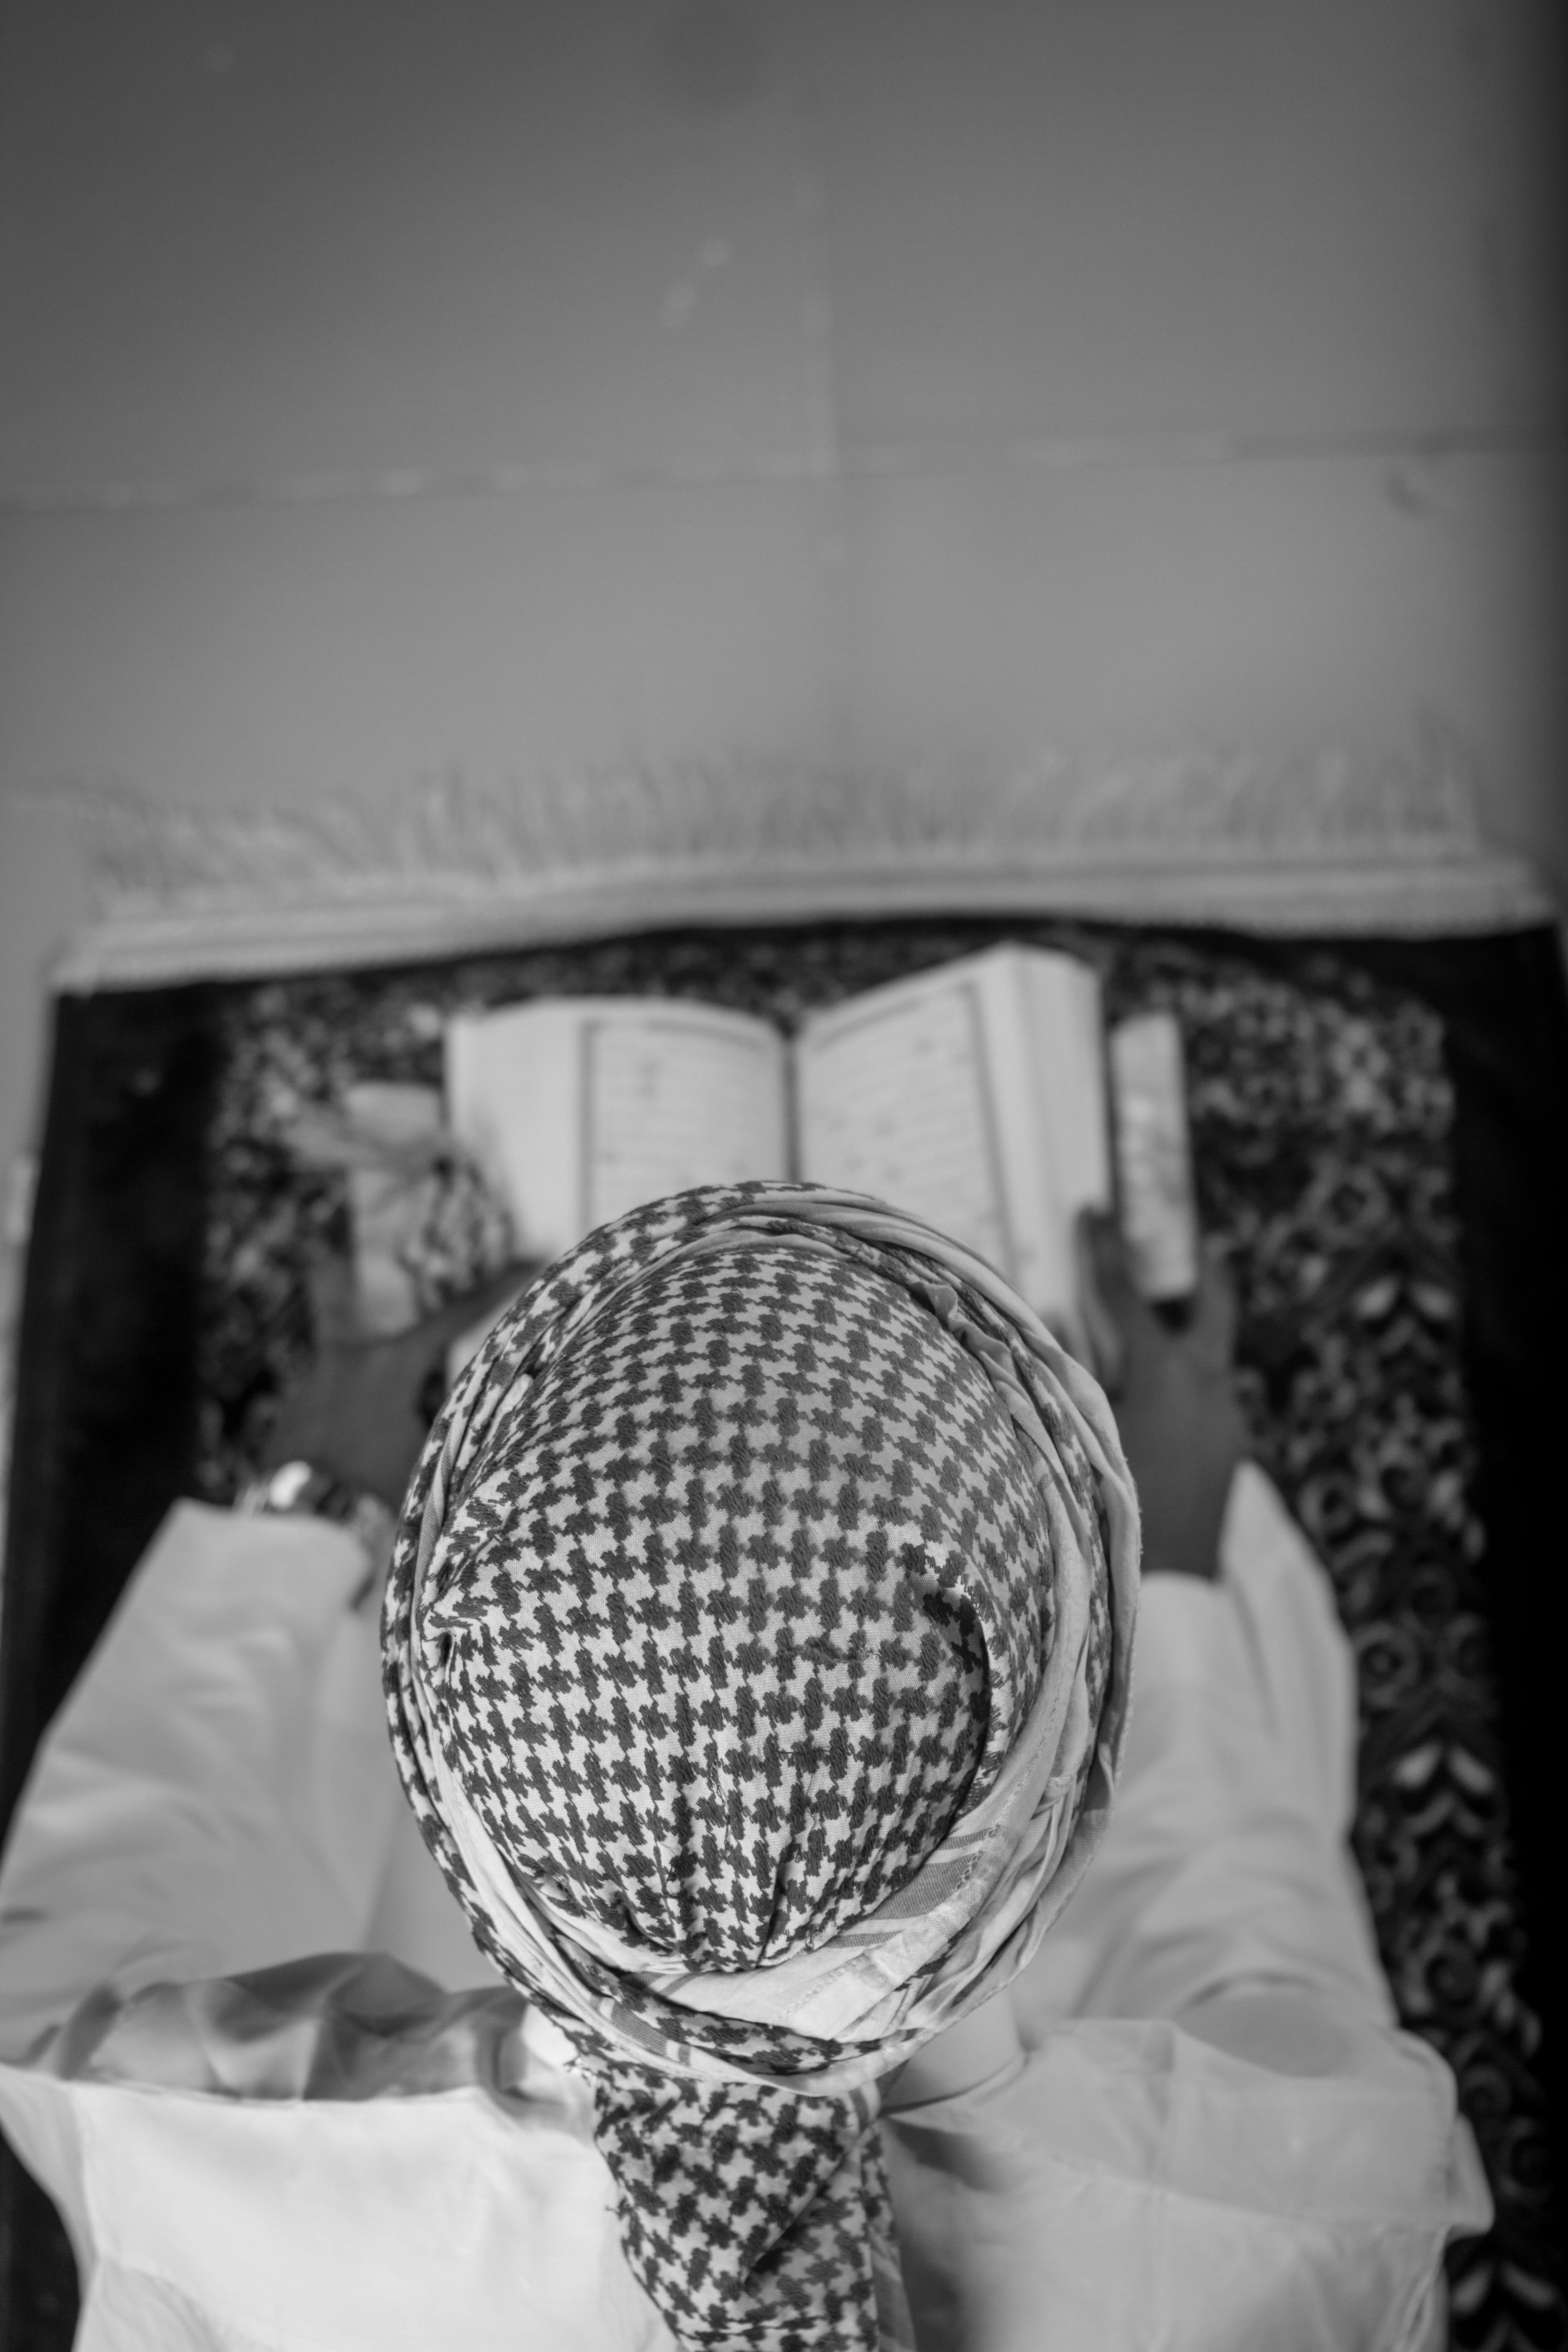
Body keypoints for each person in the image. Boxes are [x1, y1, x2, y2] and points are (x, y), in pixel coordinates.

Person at [0, 1183, 1489, 2351]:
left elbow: (56, 1963)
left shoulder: (189, 2131)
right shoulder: (1321, 2196)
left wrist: (305, 1503)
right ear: (1085, 1763)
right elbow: (1268, 1974)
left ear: (456, 1787)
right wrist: (1195, 1605)